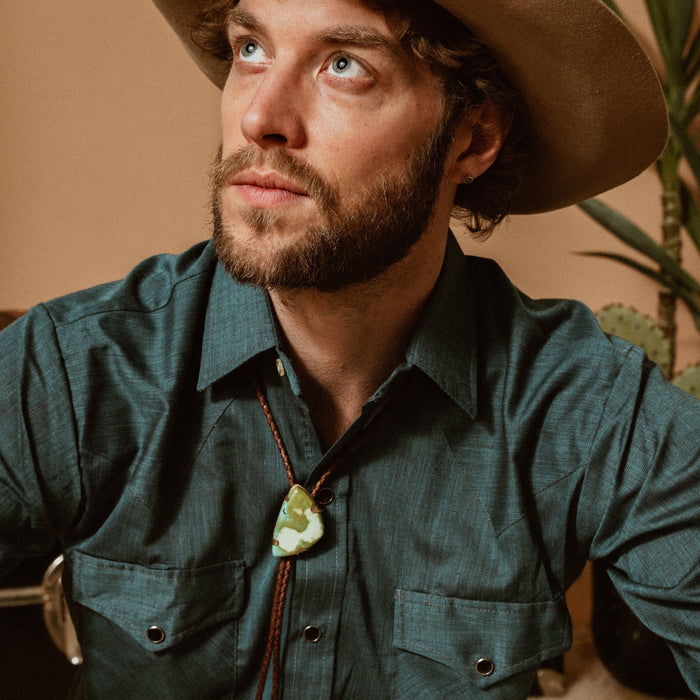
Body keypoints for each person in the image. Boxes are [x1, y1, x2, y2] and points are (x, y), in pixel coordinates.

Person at [0, 0, 697, 697]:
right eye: (251, 49)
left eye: (344, 66)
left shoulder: (586, 407)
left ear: (472, 138)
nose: (258, 116)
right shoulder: (76, 369)